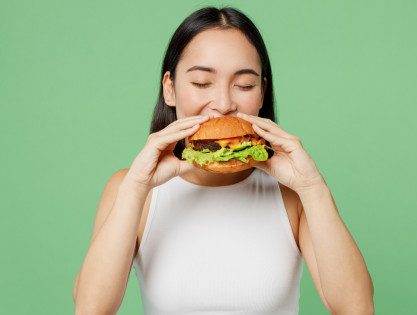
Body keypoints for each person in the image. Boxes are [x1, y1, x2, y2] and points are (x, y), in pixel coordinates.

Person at [73, 7, 374, 315]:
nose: (224, 104)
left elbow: (356, 307)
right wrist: (136, 186)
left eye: (244, 85)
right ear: (170, 89)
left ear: (261, 95)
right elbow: (91, 308)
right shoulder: (130, 189)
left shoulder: (291, 193)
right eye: (202, 82)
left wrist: (312, 187)